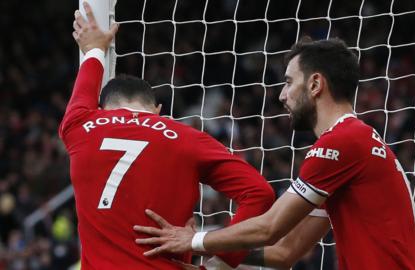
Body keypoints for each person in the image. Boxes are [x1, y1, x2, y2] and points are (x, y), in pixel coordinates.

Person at [133, 38, 415, 270]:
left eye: (288, 82)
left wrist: (194, 240)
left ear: (314, 84)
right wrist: (213, 259)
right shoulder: (355, 144)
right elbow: (285, 251)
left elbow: (269, 227)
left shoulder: (341, 143)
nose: (281, 95)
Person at [61, 2, 275, 269]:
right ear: (158, 110)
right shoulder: (187, 137)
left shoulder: (79, 126)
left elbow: (82, 94)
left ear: (103, 110)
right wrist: (218, 264)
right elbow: (260, 193)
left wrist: (94, 49)